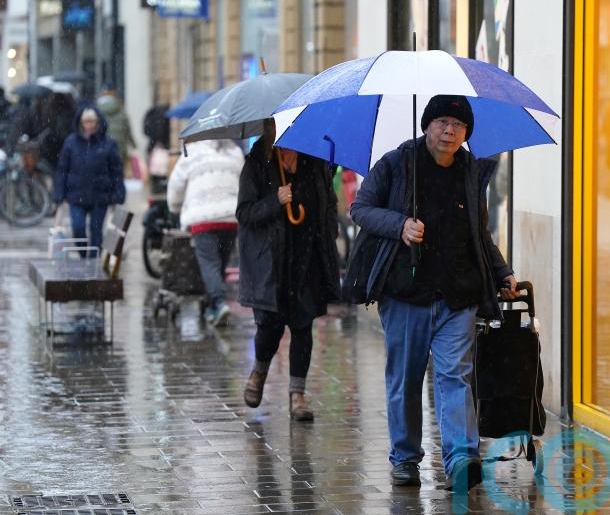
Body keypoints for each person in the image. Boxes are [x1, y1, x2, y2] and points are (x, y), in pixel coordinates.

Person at [348, 94, 519, 491]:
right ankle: (405, 458)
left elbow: (479, 233)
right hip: (406, 292)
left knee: (455, 376)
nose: (449, 130)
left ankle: (461, 458)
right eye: (441, 122)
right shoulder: (396, 163)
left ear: (466, 133)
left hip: (457, 294)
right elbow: (361, 208)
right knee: (405, 379)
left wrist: (501, 271)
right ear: (426, 125)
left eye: (457, 125)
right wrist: (400, 225)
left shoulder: (470, 172)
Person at [236, 119, 340, 421]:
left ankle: (298, 395)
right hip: (271, 262)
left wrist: (329, 232)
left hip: (307, 258)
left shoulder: (314, 161)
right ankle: (259, 370)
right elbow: (244, 213)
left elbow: (328, 204)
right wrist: (275, 201)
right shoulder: (257, 163)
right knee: (269, 325)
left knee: (302, 325)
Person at [167, 139, 244, 326]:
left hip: (203, 218)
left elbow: (176, 186)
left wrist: (175, 207)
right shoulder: (235, 151)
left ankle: (218, 302)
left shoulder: (190, 152)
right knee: (220, 265)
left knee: (209, 263)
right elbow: (243, 181)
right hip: (230, 218)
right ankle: (212, 307)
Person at [54, 106, 126, 254]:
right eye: (86, 121)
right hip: (76, 195)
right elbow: (62, 169)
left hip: (100, 196)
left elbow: (116, 171)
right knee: (78, 229)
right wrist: (59, 194)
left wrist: (118, 193)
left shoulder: (108, 144)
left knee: (96, 232)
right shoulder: (71, 142)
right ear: (80, 123)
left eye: (92, 121)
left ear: (98, 122)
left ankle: (93, 263)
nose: (89, 125)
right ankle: (83, 257)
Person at [97, 88, 136, 178]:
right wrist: (133, 144)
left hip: (102, 146)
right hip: (120, 147)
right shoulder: (122, 113)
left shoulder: (98, 112)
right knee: (118, 173)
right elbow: (128, 131)